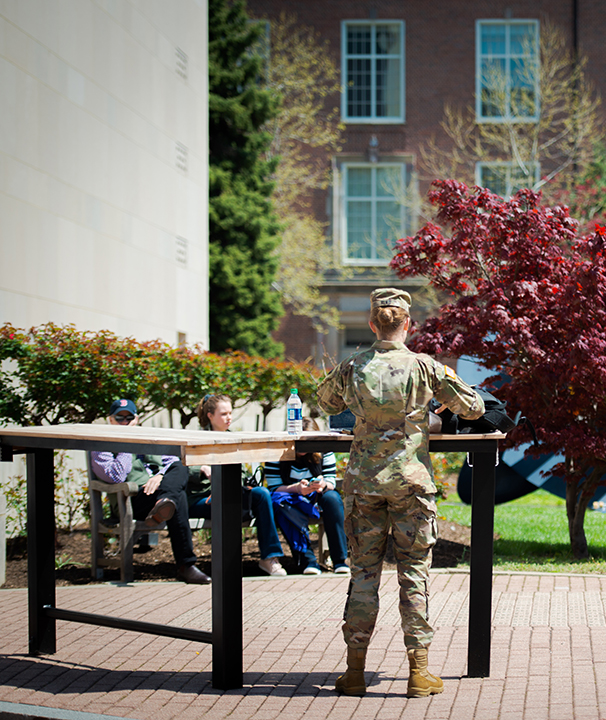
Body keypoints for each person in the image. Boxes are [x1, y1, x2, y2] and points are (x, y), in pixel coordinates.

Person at [316, 288, 485, 699]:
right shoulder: (426, 368)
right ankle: (419, 673)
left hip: (363, 484)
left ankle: (354, 672)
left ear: (373, 323)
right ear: (408, 324)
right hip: (411, 484)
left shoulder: (353, 366)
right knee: (414, 575)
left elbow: (324, 401)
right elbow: (475, 407)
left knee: (363, 575)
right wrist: (435, 406)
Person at [90, 399, 211, 584]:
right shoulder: (101, 444)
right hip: (131, 498)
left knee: (180, 466)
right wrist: (126, 445)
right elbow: (115, 476)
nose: (125, 422)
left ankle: (165, 502)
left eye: (129, 417)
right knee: (177, 497)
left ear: (136, 419)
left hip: (157, 493)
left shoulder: (148, 437)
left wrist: (160, 476)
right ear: (110, 420)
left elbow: (171, 462)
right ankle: (186, 566)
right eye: (119, 418)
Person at [187, 394, 288, 577]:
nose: (229, 418)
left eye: (230, 413)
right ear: (210, 415)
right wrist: (202, 469)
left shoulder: (233, 439)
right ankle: (227, 567)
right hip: (203, 499)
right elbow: (181, 469)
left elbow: (241, 475)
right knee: (227, 501)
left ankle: (269, 558)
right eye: (223, 414)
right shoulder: (194, 439)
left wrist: (233, 476)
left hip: (230, 494)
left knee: (261, 494)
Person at [263, 417, 349, 575]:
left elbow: (331, 482)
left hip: (317, 496)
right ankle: (308, 560)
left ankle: (340, 560)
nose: (303, 444)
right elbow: (274, 488)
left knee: (333, 499)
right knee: (281, 505)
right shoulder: (277, 453)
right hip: (290, 498)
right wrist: (297, 489)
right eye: (298, 439)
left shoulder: (324, 451)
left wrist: (321, 485)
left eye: (307, 440)